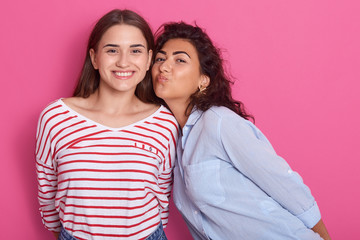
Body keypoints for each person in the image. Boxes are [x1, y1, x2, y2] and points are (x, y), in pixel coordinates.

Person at [152, 22, 331, 240]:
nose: (164, 66)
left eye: (179, 60)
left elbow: (283, 183)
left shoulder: (218, 123)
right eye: (160, 58)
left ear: (203, 80)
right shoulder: (174, 141)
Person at [35, 9, 178, 240]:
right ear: (94, 58)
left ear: (149, 59)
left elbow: (162, 197)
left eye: (135, 51)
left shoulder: (165, 123)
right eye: (112, 50)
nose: (123, 62)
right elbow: (47, 193)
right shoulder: (55, 118)